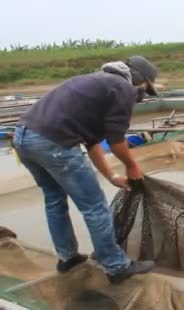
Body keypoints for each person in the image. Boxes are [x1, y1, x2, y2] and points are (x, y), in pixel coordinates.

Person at [12, 56, 158, 284]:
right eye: (144, 89)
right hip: (54, 143)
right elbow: (117, 140)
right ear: (138, 78)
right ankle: (116, 267)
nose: (140, 95)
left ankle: (67, 257)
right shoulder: (122, 88)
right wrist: (132, 166)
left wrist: (112, 176)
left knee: (54, 200)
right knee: (95, 207)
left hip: (23, 139)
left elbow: (92, 144)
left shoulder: (98, 83)